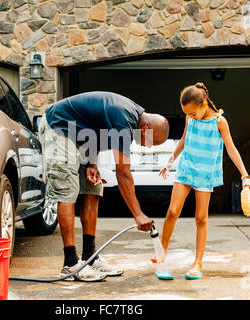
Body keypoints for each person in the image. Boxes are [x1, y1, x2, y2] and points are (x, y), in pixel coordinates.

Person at [38, 91, 169, 282]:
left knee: (94, 189)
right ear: (145, 128)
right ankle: (70, 263)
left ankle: (90, 258)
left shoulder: (131, 116)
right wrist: (138, 214)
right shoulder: (124, 119)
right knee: (67, 189)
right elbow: (123, 173)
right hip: (59, 127)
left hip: (81, 137)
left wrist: (92, 163)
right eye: (151, 142)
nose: (148, 147)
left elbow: (95, 128)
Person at [156, 83, 250, 280]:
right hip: (186, 169)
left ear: (204, 104)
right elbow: (184, 140)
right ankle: (162, 258)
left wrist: (245, 176)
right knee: (172, 212)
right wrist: (169, 162)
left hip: (205, 174)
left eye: (193, 113)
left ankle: (197, 263)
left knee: (201, 218)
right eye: (188, 114)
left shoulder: (220, 122)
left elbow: (231, 149)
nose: (191, 117)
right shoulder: (190, 117)